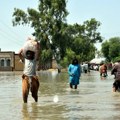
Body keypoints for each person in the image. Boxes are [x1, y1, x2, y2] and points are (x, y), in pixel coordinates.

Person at [18, 37, 40, 103]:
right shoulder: (25, 60)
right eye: (28, 53)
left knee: (34, 95)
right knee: (25, 94)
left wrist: (37, 45)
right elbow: (19, 53)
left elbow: (38, 52)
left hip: (33, 78)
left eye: (31, 53)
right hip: (25, 77)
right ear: (26, 55)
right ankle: (25, 109)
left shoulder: (35, 60)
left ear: (33, 55)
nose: (29, 54)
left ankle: (36, 104)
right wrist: (22, 49)